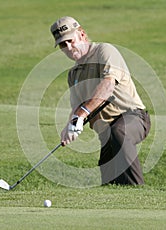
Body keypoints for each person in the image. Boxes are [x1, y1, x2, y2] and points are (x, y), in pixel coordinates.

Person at [50, 16, 151, 185]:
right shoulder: (73, 75)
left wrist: (81, 115)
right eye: (62, 44)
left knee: (120, 132)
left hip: (134, 117)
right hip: (107, 133)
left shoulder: (104, 51)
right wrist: (69, 126)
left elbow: (108, 85)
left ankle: (136, 189)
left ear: (81, 34)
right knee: (110, 181)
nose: (68, 47)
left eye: (70, 40)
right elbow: (77, 107)